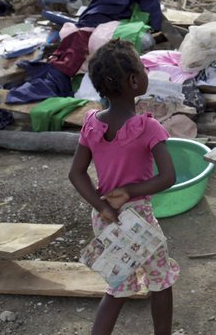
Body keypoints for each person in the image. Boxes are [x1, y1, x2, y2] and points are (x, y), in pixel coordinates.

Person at [69, 39, 179, 335]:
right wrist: (130, 192)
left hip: (104, 215)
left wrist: (102, 205)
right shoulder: (148, 127)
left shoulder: (92, 123)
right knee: (160, 280)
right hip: (137, 217)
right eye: (143, 68)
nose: (145, 72)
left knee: (118, 286)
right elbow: (168, 177)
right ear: (134, 81)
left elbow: (76, 173)